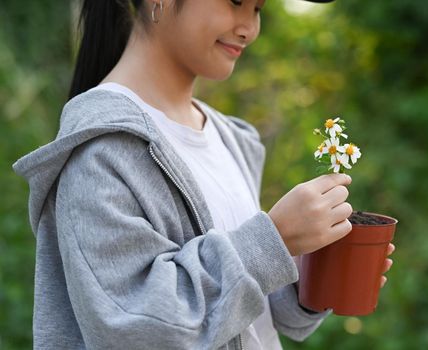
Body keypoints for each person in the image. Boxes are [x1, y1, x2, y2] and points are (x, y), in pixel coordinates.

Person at [13, 0, 395, 349]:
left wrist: (309, 265)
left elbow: (250, 311)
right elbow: (133, 330)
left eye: (258, 8)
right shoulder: (101, 151)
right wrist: (271, 239)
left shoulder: (230, 138)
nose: (250, 28)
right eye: (235, 2)